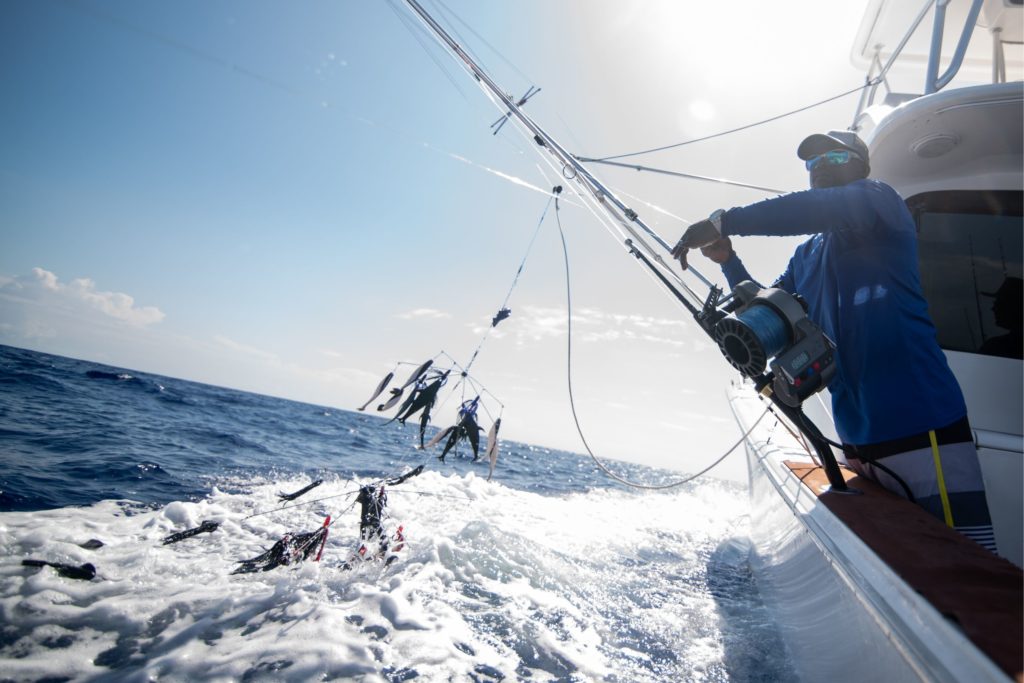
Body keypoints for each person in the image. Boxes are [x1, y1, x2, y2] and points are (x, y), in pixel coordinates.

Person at [672, 130, 996, 552]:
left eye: (836, 158)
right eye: (812, 163)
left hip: (924, 431)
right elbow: (770, 309)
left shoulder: (880, 202)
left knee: (965, 572)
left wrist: (725, 221)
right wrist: (728, 262)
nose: (822, 167)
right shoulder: (806, 257)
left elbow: (823, 208)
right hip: (857, 446)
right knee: (898, 568)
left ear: (861, 165)